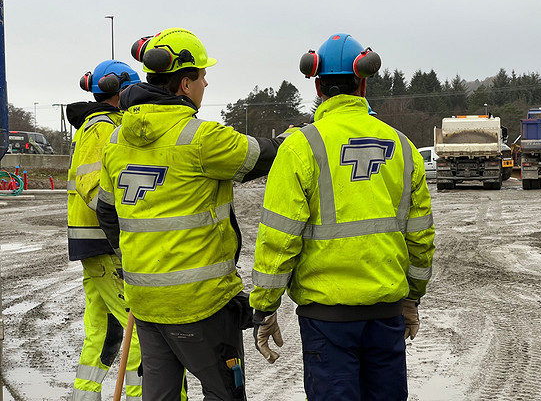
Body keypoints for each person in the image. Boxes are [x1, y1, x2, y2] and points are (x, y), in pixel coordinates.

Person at [95, 27, 292, 401]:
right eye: (202, 75)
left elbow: (106, 212)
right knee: (224, 394)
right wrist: (294, 137)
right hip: (203, 306)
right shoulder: (201, 139)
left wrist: (135, 260)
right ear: (185, 84)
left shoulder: (116, 141)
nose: (206, 82)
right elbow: (266, 155)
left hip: (146, 303)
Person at [249, 33, 436, 401]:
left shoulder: (301, 146)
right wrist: (412, 298)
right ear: (363, 83)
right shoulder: (402, 146)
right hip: (386, 314)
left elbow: (278, 238)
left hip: (326, 321)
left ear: (318, 85)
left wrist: (265, 307)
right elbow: (420, 236)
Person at [67, 60, 143, 400]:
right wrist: (127, 225)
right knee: (139, 333)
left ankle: (85, 394)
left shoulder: (101, 124)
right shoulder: (102, 127)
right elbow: (94, 186)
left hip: (93, 245)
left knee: (102, 331)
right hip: (104, 243)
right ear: (121, 90)